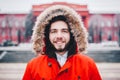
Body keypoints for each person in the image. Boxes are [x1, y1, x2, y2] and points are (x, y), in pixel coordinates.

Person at [22, 5, 102, 80]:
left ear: (72, 35)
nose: (59, 36)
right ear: (46, 35)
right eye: (54, 31)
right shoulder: (33, 66)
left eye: (64, 31)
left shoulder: (88, 65)